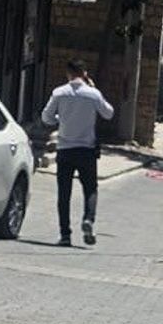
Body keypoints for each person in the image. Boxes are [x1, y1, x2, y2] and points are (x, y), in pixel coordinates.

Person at [41, 60, 114, 247]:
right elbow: (108, 113)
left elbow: (46, 117)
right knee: (90, 188)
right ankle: (88, 219)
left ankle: (65, 235)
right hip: (86, 150)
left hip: (65, 149)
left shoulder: (59, 92)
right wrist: (94, 90)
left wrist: (61, 119)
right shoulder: (92, 94)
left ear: (68, 73)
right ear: (84, 73)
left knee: (63, 193)